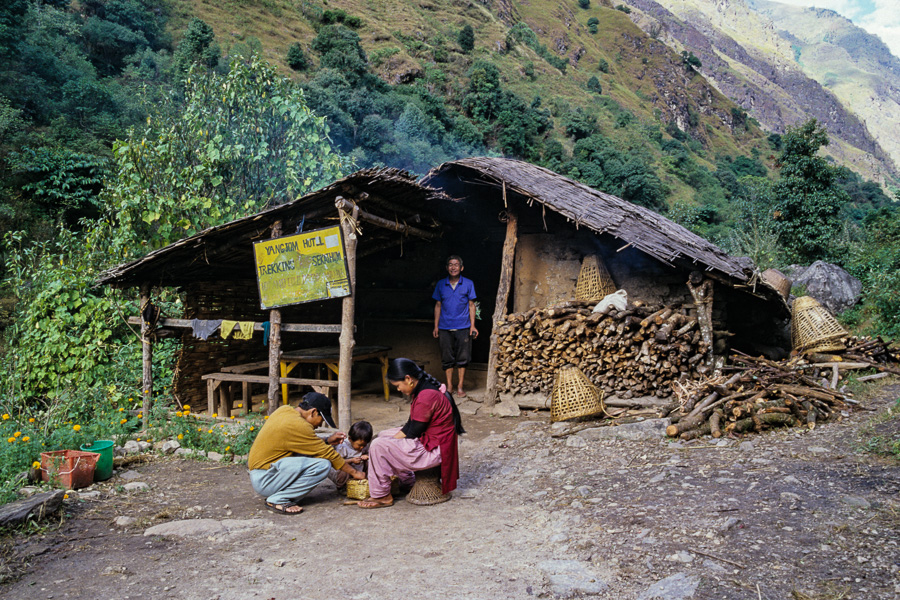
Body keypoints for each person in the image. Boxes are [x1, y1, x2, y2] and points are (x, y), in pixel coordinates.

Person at [358, 358, 464, 509]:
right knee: (383, 435)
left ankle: (382, 495)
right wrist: (391, 439)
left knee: (378, 445)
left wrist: (390, 444)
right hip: (432, 441)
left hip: (435, 450)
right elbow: (411, 423)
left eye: (398, 385)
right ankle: (407, 480)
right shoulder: (422, 390)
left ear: (408, 379)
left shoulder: (426, 396)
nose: (398, 389)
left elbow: (413, 431)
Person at [248, 394, 365, 514]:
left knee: (312, 455)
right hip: (265, 480)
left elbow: (304, 442)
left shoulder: (285, 410)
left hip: (264, 474)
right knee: (323, 465)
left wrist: (327, 440)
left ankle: (281, 495)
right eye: (322, 420)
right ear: (313, 412)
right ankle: (278, 499)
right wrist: (355, 473)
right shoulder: (299, 425)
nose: (320, 425)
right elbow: (328, 454)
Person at [432, 255, 478, 397]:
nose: (453, 267)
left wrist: (473, 326)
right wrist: (436, 326)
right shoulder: (441, 284)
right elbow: (438, 305)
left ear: (461, 268)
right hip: (445, 326)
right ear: (447, 268)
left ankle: (460, 387)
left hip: (463, 326)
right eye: (450, 264)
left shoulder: (468, 284)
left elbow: (471, 305)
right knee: (447, 358)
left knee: (463, 357)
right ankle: (450, 386)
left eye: (456, 265)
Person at [327, 420, 373, 489]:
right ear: (350, 439)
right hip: (343, 473)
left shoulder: (364, 445)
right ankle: (342, 487)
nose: (362, 447)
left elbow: (368, 453)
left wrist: (366, 456)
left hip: (359, 471)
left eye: (364, 445)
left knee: (370, 463)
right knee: (343, 470)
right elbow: (337, 462)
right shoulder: (343, 446)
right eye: (359, 445)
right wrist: (351, 460)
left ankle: (366, 483)